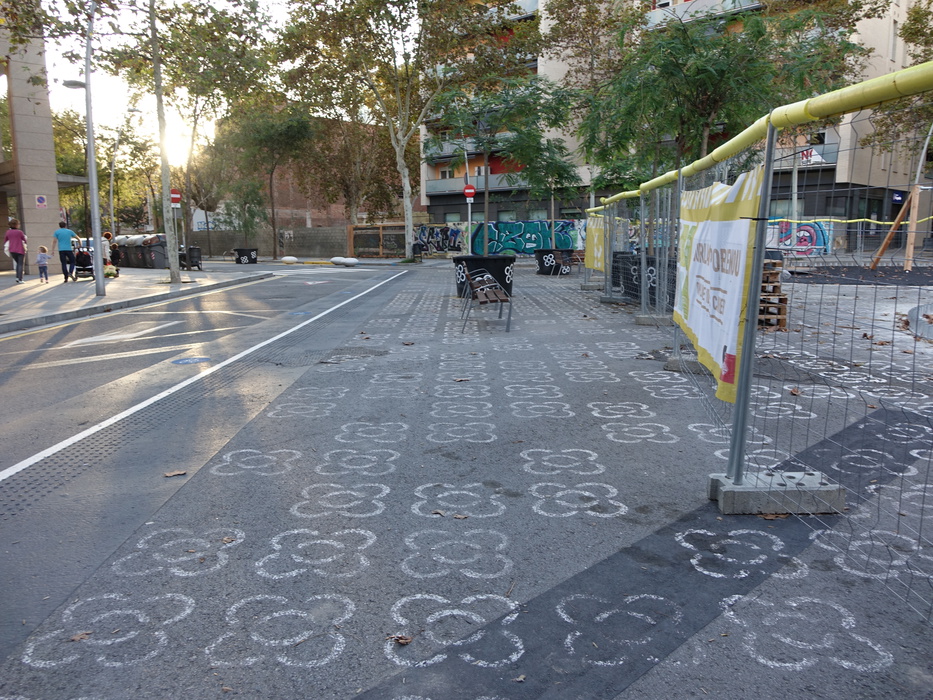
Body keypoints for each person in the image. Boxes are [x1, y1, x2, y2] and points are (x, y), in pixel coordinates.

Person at [4, 218, 27, 284]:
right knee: (20, 264)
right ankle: (20, 279)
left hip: (12, 250)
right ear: (16, 225)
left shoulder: (8, 232)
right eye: (18, 224)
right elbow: (24, 240)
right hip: (20, 250)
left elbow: (6, 240)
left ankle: (17, 277)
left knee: (18, 263)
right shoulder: (20, 232)